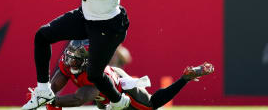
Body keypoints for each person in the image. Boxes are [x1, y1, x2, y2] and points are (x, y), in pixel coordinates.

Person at [35, 40, 214, 110]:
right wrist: (43, 95)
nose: (69, 61)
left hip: (120, 88)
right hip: (103, 92)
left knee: (151, 105)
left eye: (75, 59)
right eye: (69, 56)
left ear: (85, 62)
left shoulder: (94, 75)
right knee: (102, 105)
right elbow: (51, 90)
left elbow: (77, 100)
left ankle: (185, 79)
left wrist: (46, 101)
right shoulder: (67, 64)